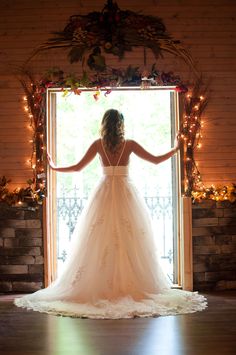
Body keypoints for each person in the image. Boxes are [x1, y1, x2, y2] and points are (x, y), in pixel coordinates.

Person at [14, 109, 207, 319]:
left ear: (104, 124)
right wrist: (176, 148)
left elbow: (78, 167)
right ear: (121, 125)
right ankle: (130, 284)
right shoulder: (129, 144)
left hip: (105, 191)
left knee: (99, 237)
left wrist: (54, 167)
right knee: (129, 237)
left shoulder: (99, 144)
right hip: (125, 192)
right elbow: (156, 160)